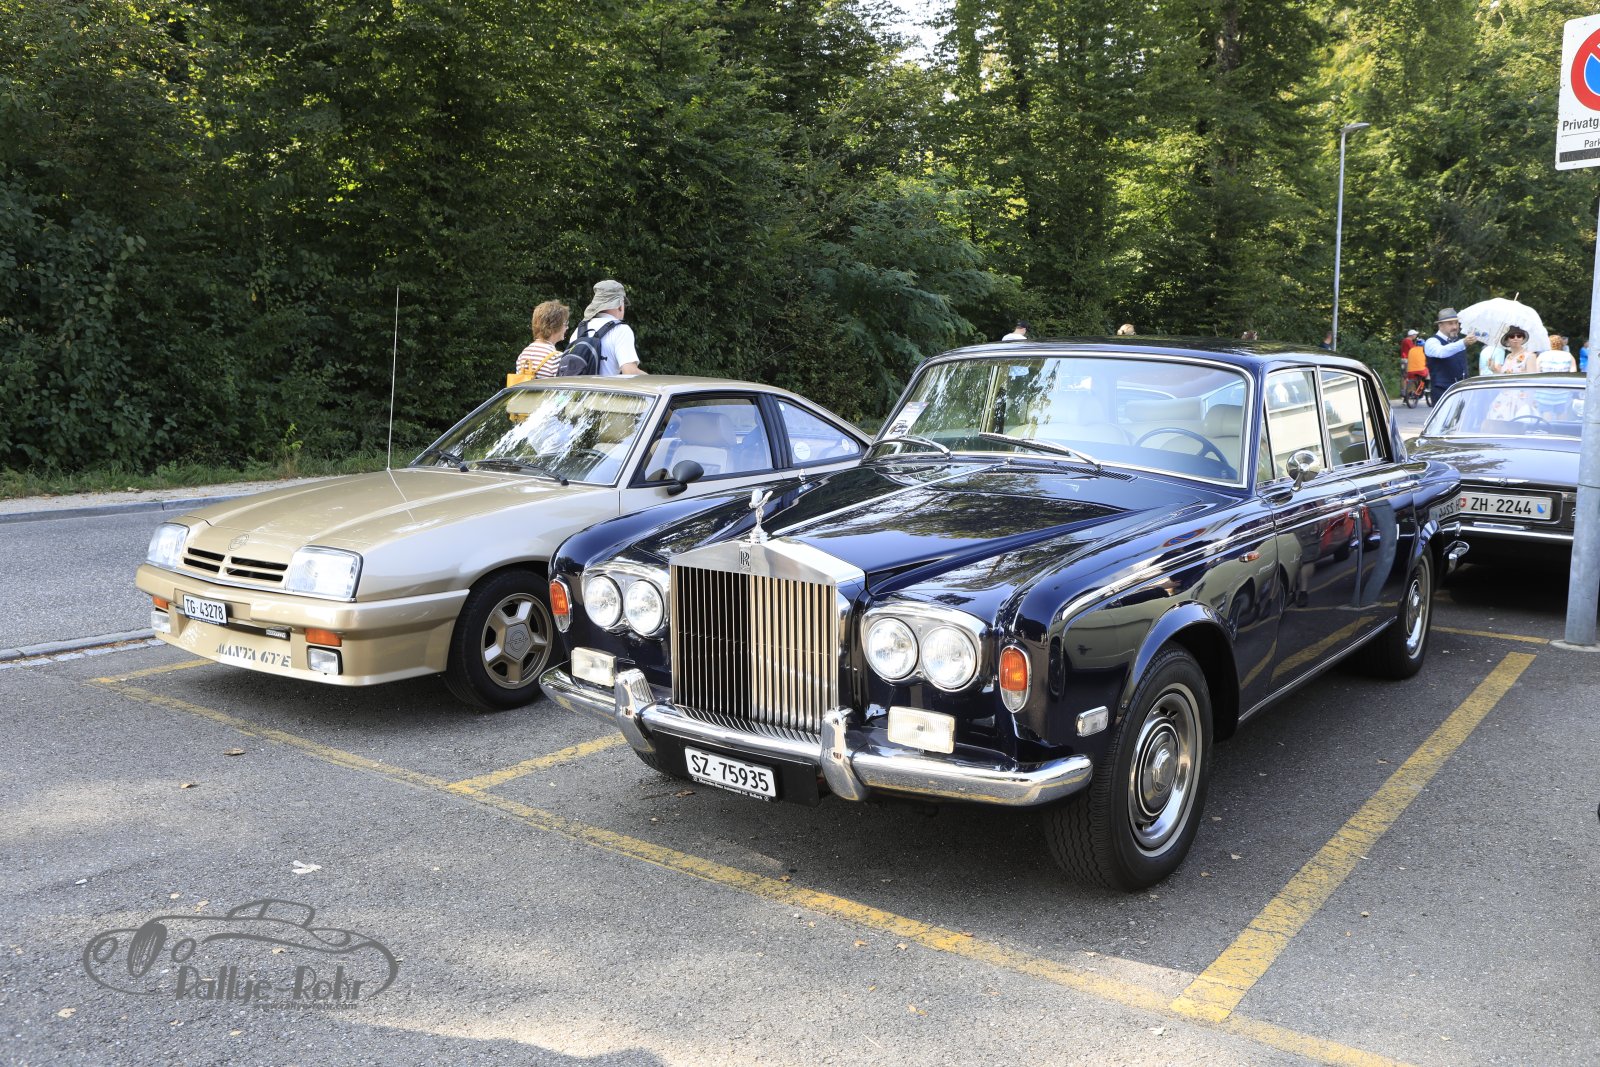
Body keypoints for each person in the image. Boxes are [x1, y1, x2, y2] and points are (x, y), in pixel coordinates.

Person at [572, 279, 645, 376]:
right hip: (605, 387)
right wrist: (655, 381)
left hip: (576, 386)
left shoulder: (579, 329)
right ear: (620, 305)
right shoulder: (621, 330)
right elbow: (630, 372)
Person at [1423, 308, 1477, 404]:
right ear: (1440, 325)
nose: (1455, 327)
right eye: (1450, 323)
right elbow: (1441, 352)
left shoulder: (1458, 342)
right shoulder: (1431, 342)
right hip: (1442, 395)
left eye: (1456, 323)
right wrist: (1463, 343)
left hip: (1462, 393)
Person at [514, 300, 570, 379]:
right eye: (565, 324)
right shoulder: (556, 358)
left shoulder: (524, 354)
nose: (567, 328)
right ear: (554, 326)